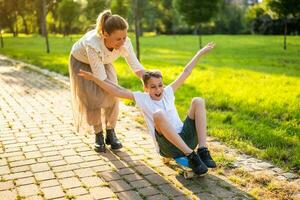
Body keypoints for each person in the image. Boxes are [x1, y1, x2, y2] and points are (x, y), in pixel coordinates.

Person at [78, 42, 217, 175]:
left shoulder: (168, 92)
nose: (158, 89)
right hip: (167, 146)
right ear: (146, 88)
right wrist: (94, 78)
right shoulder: (142, 98)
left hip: (187, 139)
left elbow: (186, 72)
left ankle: (203, 150)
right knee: (158, 114)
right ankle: (191, 156)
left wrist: (200, 53)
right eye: (153, 86)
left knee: (198, 101)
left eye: (160, 85)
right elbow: (116, 90)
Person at [69, 9, 145, 152]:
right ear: (105, 34)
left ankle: (111, 132)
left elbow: (136, 66)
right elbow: (101, 79)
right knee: (94, 98)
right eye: (118, 39)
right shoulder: (92, 44)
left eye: (124, 37)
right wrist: (129, 94)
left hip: (103, 61)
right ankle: (98, 135)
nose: (122, 42)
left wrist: (148, 80)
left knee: (112, 96)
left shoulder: (124, 41)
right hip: (82, 62)